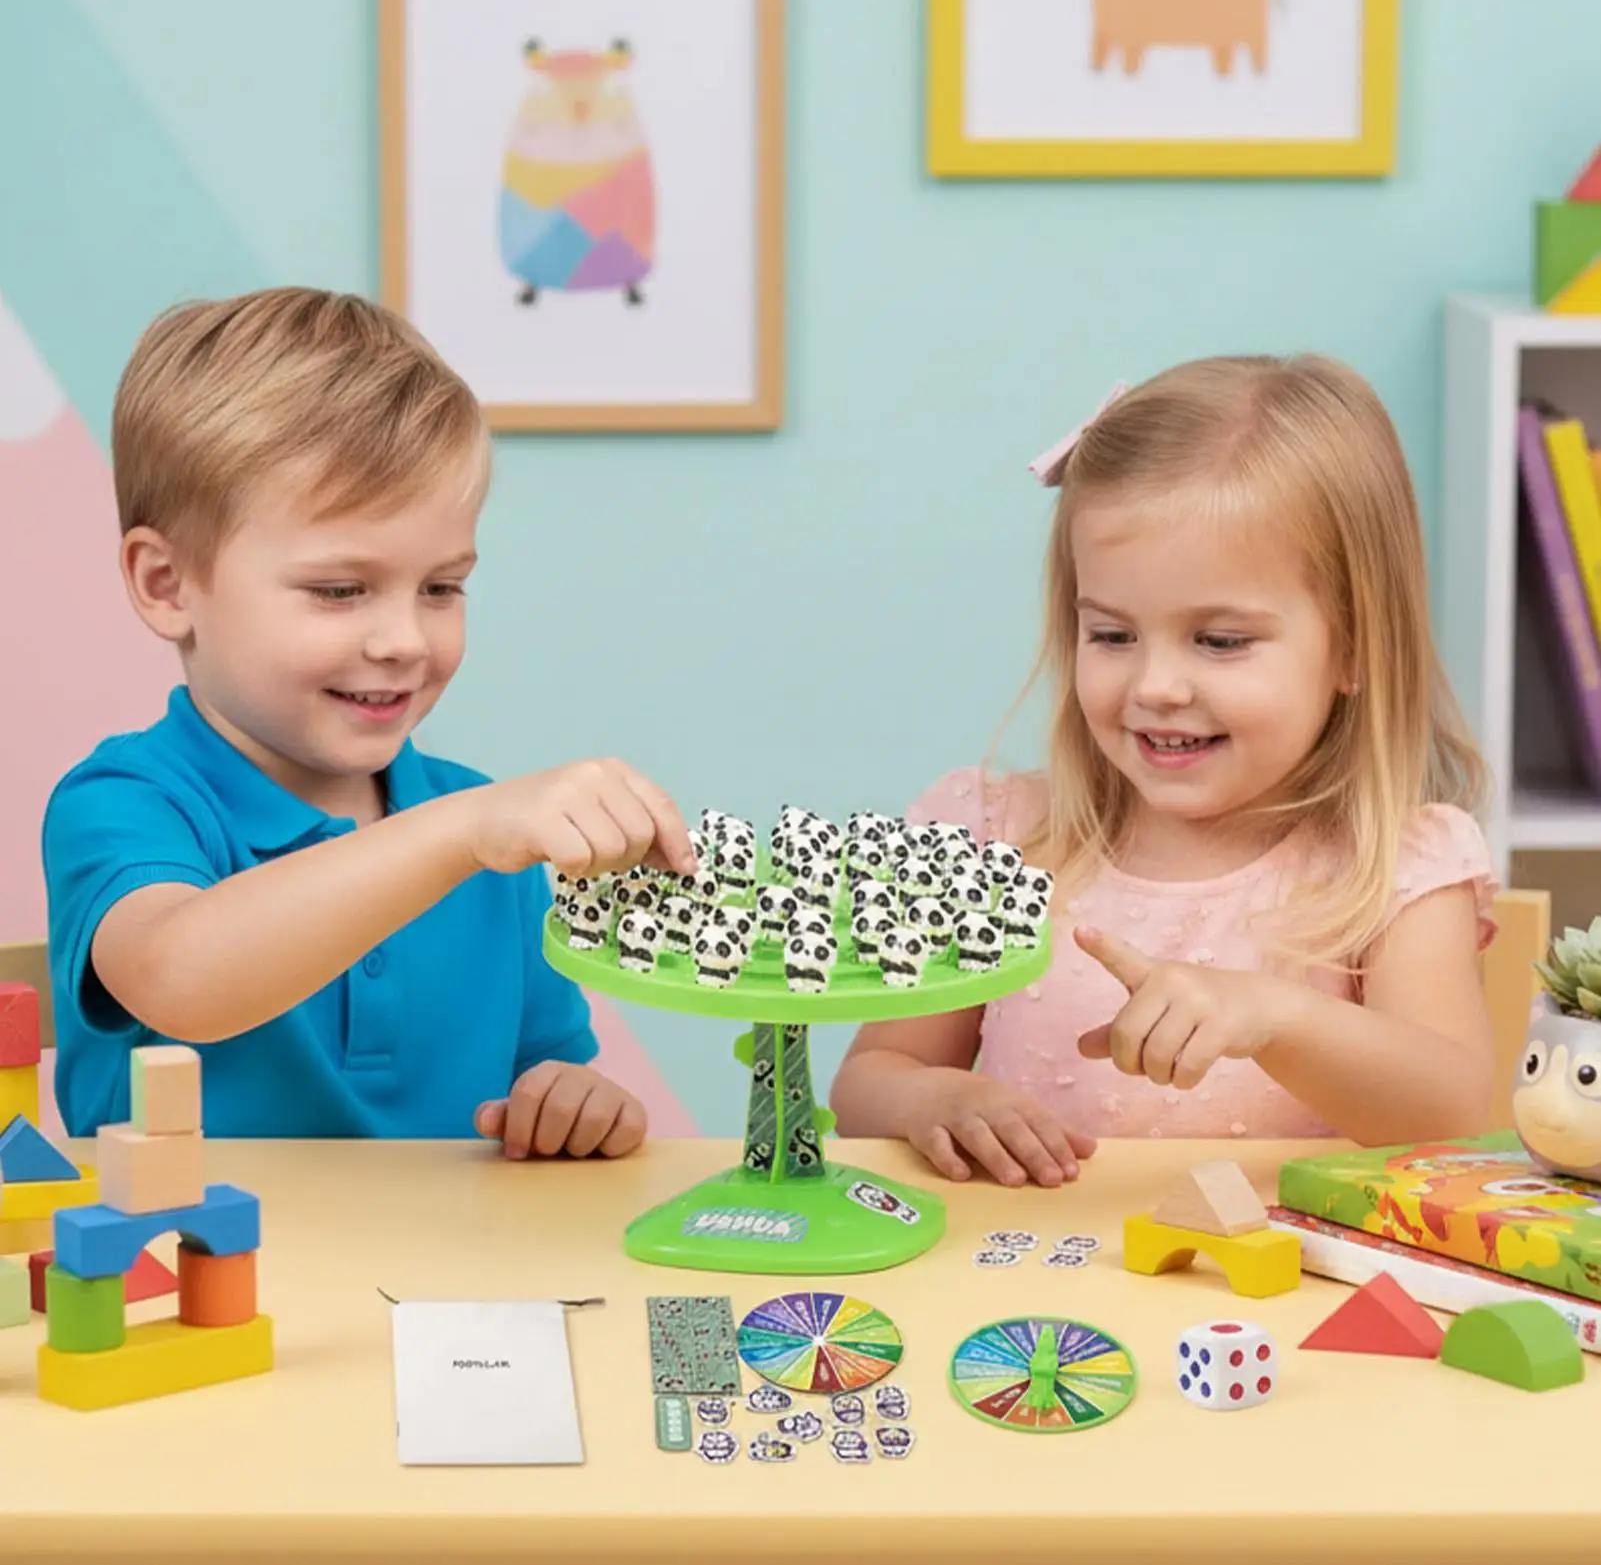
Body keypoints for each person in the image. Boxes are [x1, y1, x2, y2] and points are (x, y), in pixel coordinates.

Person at [43, 287, 694, 1155]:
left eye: (441, 588)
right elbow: (179, 975)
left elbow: (547, 1073)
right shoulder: (128, 802)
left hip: (440, 1280)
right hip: (187, 1281)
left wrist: (575, 1103)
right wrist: (458, 831)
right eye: (339, 590)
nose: (402, 641)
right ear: (167, 584)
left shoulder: (485, 838)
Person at [831, 355, 1498, 1187]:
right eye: (1111, 635)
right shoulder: (994, 839)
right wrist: (929, 1100)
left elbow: (1455, 1114)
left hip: (1277, 1304)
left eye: (1219, 642)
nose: (1155, 687)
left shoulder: (1397, 865)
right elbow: (867, 1081)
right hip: (1033, 1303)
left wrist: (1274, 1016)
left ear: (1353, 648)